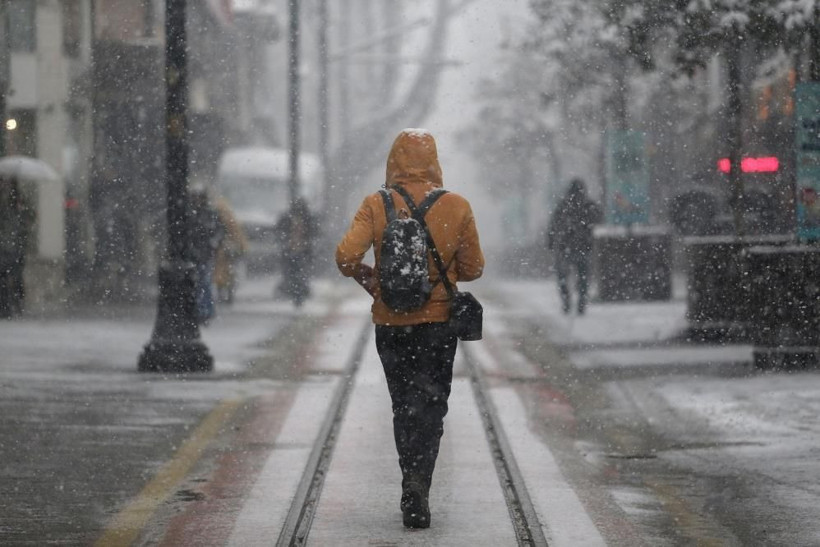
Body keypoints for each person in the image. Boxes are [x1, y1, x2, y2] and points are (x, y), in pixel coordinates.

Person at [335, 128, 485, 529]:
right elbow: (473, 269)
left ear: (394, 161)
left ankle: (409, 476)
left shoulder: (377, 203)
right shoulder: (456, 205)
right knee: (431, 405)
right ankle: (420, 482)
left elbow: (346, 256)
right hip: (438, 326)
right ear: (434, 161)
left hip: (391, 323)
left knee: (403, 405)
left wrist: (371, 280)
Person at [547, 178, 602, 315]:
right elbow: (598, 219)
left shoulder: (563, 205)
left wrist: (550, 241)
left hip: (564, 247)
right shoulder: (589, 205)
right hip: (584, 247)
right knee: (583, 277)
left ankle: (566, 301)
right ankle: (581, 303)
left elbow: (553, 225)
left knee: (563, 277)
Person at [275, 197, 318, 307]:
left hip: (300, 252)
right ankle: (296, 293)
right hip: (292, 251)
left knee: (298, 274)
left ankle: (298, 295)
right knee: (294, 274)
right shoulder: (290, 219)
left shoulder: (306, 219)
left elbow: (314, 234)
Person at [189, 187, 223, 324]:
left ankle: (205, 311)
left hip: (205, 253)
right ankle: (201, 310)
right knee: (200, 283)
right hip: (195, 253)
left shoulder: (210, 214)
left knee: (204, 282)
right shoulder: (191, 213)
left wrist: (213, 242)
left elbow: (219, 231)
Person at [0, 176, 30, 318]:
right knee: (6, 277)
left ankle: (15, 304)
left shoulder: (19, 200)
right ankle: (7, 306)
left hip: (15, 245)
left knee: (15, 277)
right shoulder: (4, 203)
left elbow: (29, 217)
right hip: (7, 245)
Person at [213, 196, 248, 304]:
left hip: (226, 252)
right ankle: (226, 294)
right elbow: (239, 237)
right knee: (226, 274)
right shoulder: (229, 219)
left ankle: (226, 294)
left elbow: (237, 236)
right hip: (225, 252)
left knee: (225, 274)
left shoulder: (226, 219)